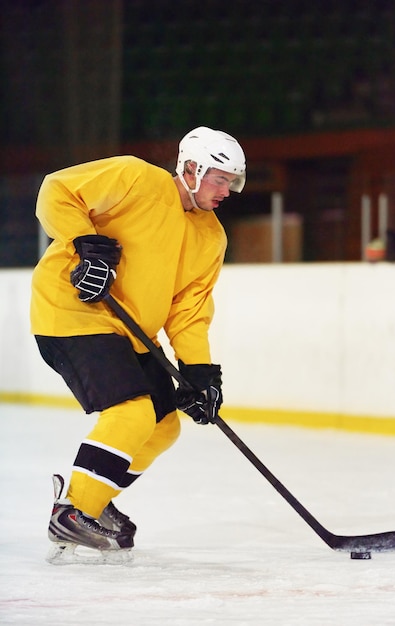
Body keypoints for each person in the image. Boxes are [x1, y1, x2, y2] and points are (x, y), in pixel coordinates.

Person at [30, 126, 246, 562]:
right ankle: (73, 513)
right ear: (191, 168)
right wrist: (86, 244)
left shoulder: (211, 237)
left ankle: (92, 495)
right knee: (132, 410)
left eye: (232, 181)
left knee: (164, 425)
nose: (227, 190)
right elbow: (57, 190)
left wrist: (199, 372)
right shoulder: (136, 177)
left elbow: (188, 309)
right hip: (73, 312)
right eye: (219, 178)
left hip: (132, 333)